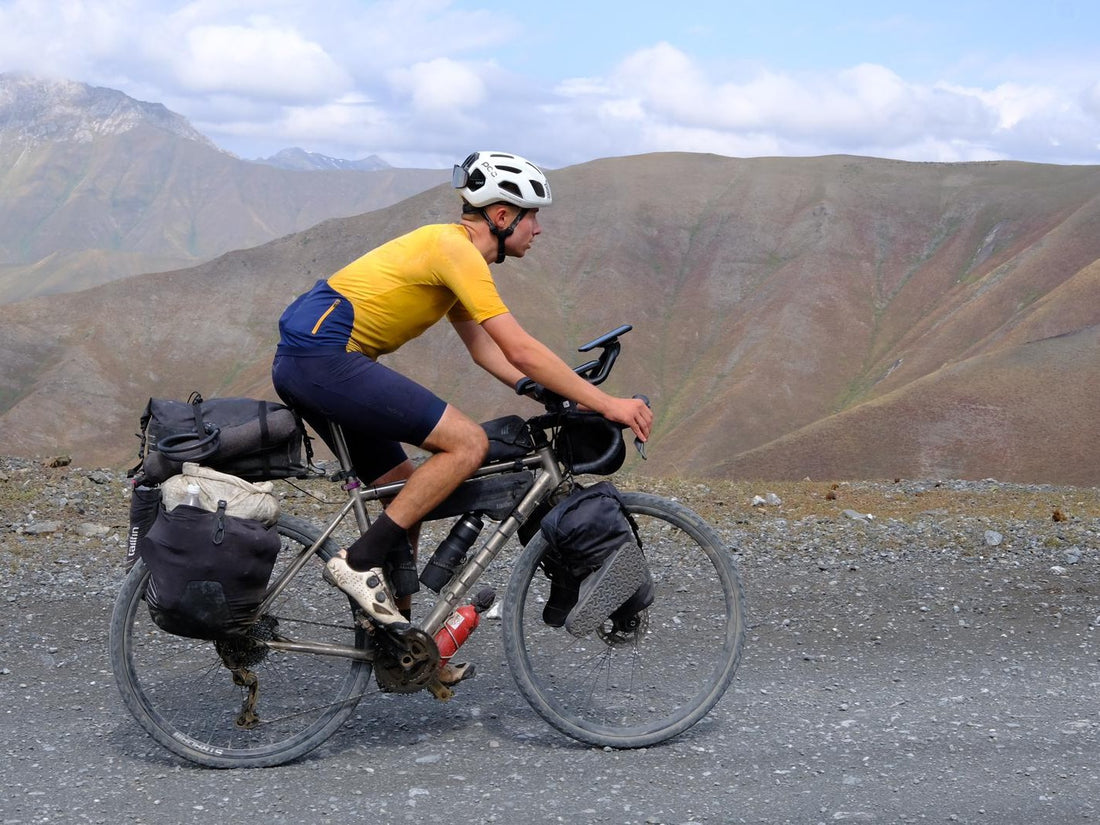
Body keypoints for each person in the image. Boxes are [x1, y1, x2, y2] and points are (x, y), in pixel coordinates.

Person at [271, 151, 652, 661]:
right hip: (324, 357)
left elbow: (485, 350)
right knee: (467, 443)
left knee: (408, 497)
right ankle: (358, 562)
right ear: (501, 216)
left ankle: (401, 650)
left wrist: (539, 390)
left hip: (311, 360)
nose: (538, 229)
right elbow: (518, 346)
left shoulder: (449, 254)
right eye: (533, 215)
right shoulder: (455, 251)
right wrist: (609, 404)